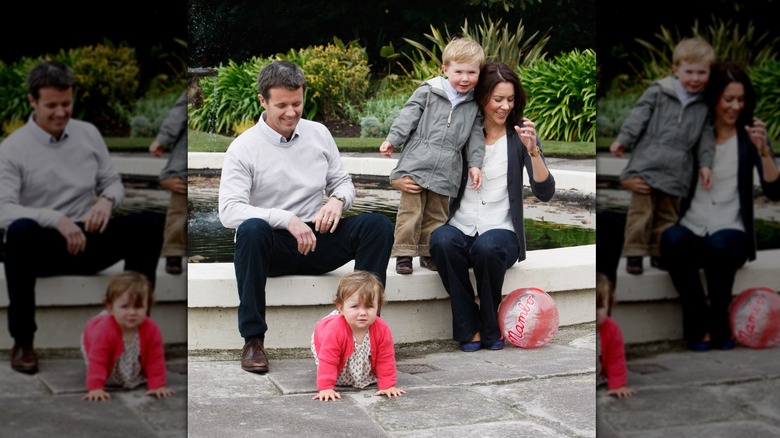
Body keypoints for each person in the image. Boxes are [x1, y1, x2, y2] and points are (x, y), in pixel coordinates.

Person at [218, 60, 394, 374]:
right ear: (263, 101)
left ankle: (366, 329)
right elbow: (229, 210)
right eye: (281, 105)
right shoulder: (243, 148)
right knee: (251, 230)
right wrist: (286, 219)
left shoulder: (319, 134)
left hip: (318, 239)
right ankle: (253, 340)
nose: (291, 113)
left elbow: (342, 183)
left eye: (297, 103)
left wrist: (338, 201)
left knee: (378, 225)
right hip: (273, 248)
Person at [0, 61, 163, 375]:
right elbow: (3, 210)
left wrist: (106, 200)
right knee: (19, 232)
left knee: (147, 225)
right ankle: (23, 342)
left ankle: (135, 337)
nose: (61, 112)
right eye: (52, 105)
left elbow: (113, 182)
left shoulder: (88, 133)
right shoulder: (13, 148)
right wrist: (54, 219)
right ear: (32, 101)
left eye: (67, 103)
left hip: (88, 238)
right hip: (44, 248)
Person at [395, 61, 555, 352]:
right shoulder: (462, 130)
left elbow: (545, 192)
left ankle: (490, 323)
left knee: (488, 246)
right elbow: (425, 152)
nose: (504, 106)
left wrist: (533, 151)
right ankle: (469, 326)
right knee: (441, 240)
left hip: (501, 231)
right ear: (482, 97)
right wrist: (400, 178)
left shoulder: (520, 136)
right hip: (461, 226)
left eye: (510, 100)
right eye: (497, 99)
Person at [660, 61, 780, 351]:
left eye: (741, 99)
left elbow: (774, 190)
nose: (735, 106)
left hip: (731, 231)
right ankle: (701, 324)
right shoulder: (694, 130)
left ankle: (717, 325)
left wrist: (763, 152)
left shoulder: (750, 135)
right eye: (729, 99)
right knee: (671, 239)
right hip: (693, 225)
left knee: (719, 246)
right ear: (714, 98)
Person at [610, 37, 716, 275]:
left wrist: (706, 165)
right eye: (690, 72)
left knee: (667, 216)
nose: (696, 78)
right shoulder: (659, 92)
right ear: (676, 69)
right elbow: (639, 116)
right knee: (641, 212)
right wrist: (623, 139)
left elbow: (706, 138)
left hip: (679, 169)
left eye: (702, 72)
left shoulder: (704, 105)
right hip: (648, 163)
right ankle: (634, 253)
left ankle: (659, 253)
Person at [379, 37, 485, 275]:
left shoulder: (473, 104)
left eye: (472, 72)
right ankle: (404, 253)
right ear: (445, 69)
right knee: (411, 211)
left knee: (437, 214)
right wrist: (392, 139)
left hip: (448, 167)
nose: (465, 78)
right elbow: (408, 116)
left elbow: (476, 137)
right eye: (459, 71)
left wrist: (476, 164)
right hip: (417, 161)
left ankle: (428, 252)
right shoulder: (429, 91)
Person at [310, 271, 405, 401]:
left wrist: (388, 385)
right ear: (341, 307)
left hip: (358, 352)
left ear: (378, 307)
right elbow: (328, 359)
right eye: (355, 306)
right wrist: (326, 388)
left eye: (369, 307)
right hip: (327, 342)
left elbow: (386, 358)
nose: (362, 313)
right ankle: (336, 375)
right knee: (331, 360)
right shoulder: (335, 330)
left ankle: (358, 373)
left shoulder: (381, 329)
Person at [81, 271, 174, 401]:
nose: (132, 313)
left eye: (138, 306)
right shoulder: (104, 330)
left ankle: (128, 374)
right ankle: (106, 376)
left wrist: (157, 385)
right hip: (96, 343)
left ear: (148, 306)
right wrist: (95, 387)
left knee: (145, 363)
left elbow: (155, 358)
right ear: (110, 307)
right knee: (100, 361)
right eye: (124, 307)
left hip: (129, 355)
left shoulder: (151, 329)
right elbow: (98, 359)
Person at [148, 90, 188, 275]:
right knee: (179, 208)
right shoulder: (195, 85)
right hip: (184, 160)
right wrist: (162, 139)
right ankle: (174, 252)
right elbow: (179, 112)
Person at [597, 271, 636, 399]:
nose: (594, 312)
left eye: (600, 306)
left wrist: (618, 385)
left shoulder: (611, 328)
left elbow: (616, 358)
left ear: (609, 305)